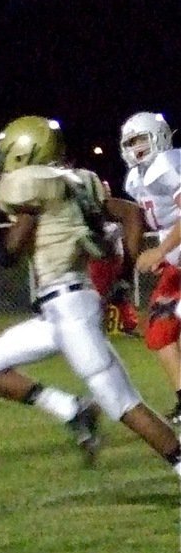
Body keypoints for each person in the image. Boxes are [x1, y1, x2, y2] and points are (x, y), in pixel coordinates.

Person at [0, 115, 181, 478]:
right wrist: (123, 277)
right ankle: (71, 409)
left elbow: (8, 255)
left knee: (123, 404)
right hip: (60, 311)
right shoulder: (76, 183)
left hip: (71, 310)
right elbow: (131, 214)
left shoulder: (34, 190)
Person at [118, 111, 181, 421]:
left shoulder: (168, 164)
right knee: (159, 331)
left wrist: (161, 251)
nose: (135, 147)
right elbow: (155, 222)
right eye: (129, 142)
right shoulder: (136, 178)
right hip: (176, 264)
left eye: (141, 139)